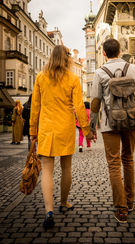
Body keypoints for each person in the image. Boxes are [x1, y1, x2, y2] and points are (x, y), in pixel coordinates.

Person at [30, 45, 94, 229]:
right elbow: (79, 106)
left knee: (47, 170)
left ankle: (48, 211)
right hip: (65, 127)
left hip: (46, 128)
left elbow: (35, 106)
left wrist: (33, 130)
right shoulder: (73, 78)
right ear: (67, 59)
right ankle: (64, 202)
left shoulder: (41, 77)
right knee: (66, 168)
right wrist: (86, 129)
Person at [89, 38, 135, 223]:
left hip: (109, 124)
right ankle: (129, 202)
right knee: (128, 159)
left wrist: (92, 128)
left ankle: (121, 209)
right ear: (120, 51)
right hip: (132, 122)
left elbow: (95, 102)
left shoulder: (100, 73)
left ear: (104, 53)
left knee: (114, 164)